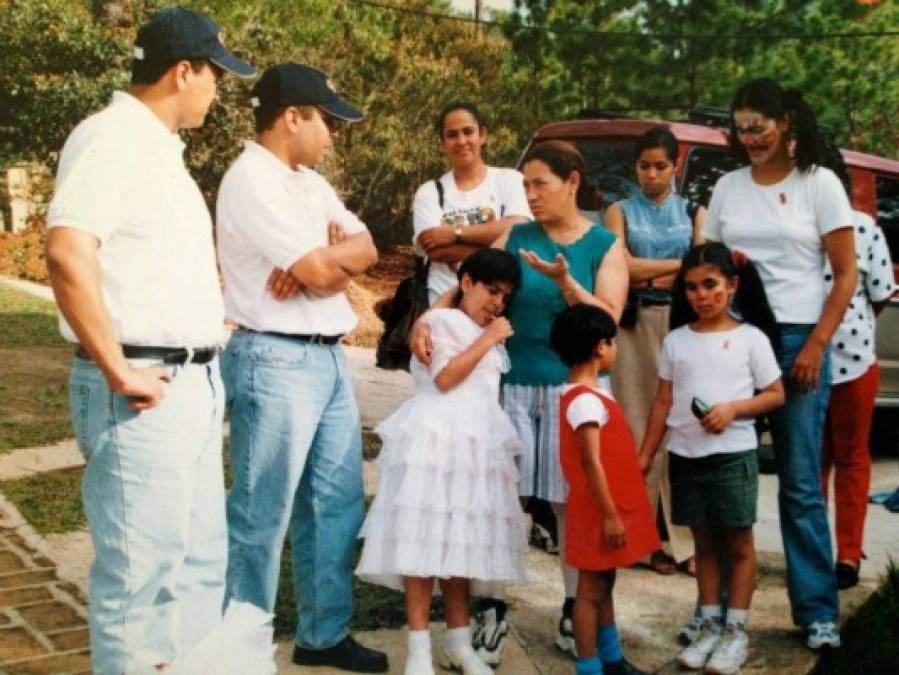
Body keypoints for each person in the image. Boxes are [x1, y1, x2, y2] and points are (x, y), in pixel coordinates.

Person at [43, 7, 254, 673]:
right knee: (140, 584)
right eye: (214, 74)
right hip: (142, 389)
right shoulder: (115, 138)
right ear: (182, 70)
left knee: (194, 570)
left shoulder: (154, 147)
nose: (218, 89)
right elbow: (67, 252)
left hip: (186, 382)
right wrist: (117, 367)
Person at [413, 140, 629, 666]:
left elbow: (608, 321)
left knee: (569, 506)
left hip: (571, 392)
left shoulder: (605, 244)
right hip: (510, 387)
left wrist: (565, 281)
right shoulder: (517, 235)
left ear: (572, 183)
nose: (529, 195)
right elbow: (477, 280)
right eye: (525, 184)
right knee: (495, 501)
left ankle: (574, 606)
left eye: (540, 184)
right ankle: (492, 607)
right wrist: (427, 316)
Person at [216, 63, 386, 672]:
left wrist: (326, 257)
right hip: (274, 357)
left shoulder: (308, 183)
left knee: (336, 503)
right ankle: (238, 649)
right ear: (293, 117)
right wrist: (322, 262)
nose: (332, 136)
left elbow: (366, 248)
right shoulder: (250, 180)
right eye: (326, 122)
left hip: (328, 356)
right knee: (262, 513)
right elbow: (318, 272)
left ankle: (322, 634)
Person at [702, 77, 857, 649]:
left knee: (799, 483)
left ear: (786, 121)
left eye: (760, 127)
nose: (750, 139)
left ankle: (817, 611)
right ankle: (714, 608)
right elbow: (707, 259)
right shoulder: (727, 186)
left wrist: (816, 345)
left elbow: (847, 276)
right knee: (720, 475)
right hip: (733, 339)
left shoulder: (820, 185)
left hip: (797, 343)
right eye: (741, 129)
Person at [357, 248, 528, 675]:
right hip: (436, 443)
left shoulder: (470, 323)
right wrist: (487, 338)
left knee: (461, 548)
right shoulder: (441, 323)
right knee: (423, 544)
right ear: (465, 282)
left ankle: (459, 641)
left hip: (474, 448)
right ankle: (417, 647)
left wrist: (487, 332)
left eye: (505, 296)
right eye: (491, 290)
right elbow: (446, 377)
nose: (497, 303)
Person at [640, 243, 785, 673]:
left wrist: (734, 410)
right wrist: (646, 453)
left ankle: (735, 631)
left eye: (710, 285)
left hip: (732, 455)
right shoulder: (676, 341)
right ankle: (708, 622)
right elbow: (663, 402)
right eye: (691, 288)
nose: (701, 295)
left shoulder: (751, 339)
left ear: (732, 285)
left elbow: (776, 394)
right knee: (702, 544)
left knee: (738, 544)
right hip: (686, 455)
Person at [605, 126, 705, 576]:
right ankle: (642, 539)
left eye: (661, 166)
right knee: (637, 426)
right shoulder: (619, 211)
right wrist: (674, 267)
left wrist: (654, 271)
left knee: (682, 427)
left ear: (676, 165)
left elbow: (702, 270)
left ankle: (683, 540)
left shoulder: (694, 212)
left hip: (683, 325)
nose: (652, 174)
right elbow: (620, 265)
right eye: (644, 165)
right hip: (635, 323)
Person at [550, 304, 660, 675]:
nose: (615, 349)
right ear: (600, 347)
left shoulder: (589, 393)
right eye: (612, 342)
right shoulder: (584, 401)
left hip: (603, 508)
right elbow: (590, 463)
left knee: (604, 582)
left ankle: (612, 659)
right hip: (598, 511)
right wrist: (611, 516)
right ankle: (589, 666)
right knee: (589, 590)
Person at [819, 146, 896, 590]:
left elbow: (881, 293)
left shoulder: (865, 229)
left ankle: (848, 554)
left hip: (854, 361)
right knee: (812, 462)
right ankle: (810, 552)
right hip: (803, 363)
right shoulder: (797, 230)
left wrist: (851, 327)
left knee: (852, 456)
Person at [413, 101, 531, 305]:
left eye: (468, 131)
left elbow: (519, 230)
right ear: (442, 142)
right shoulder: (430, 192)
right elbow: (433, 249)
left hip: (498, 308)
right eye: (452, 135)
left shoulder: (509, 180)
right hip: (443, 306)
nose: (461, 141)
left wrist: (454, 234)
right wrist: (498, 250)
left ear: (482, 135)